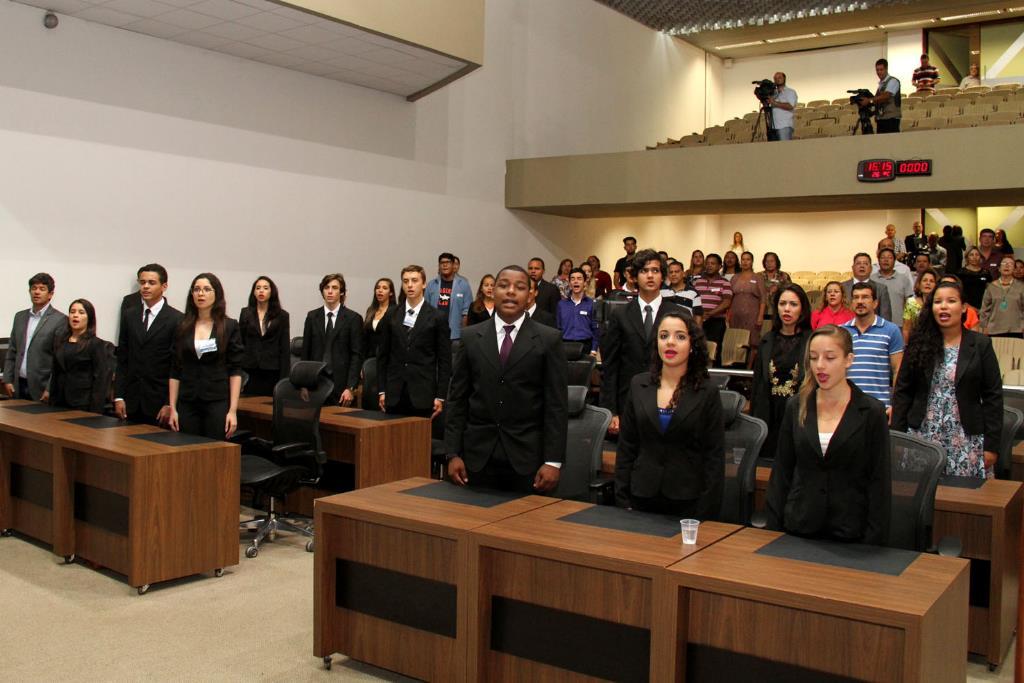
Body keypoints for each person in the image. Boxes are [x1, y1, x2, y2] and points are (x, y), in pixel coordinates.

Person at [445, 265, 568, 493]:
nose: (511, 292)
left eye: (520, 287)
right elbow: (457, 400)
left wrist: (553, 461)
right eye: (503, 285)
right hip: (476, 457)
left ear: (530, 295)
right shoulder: (471, 337)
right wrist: (452, 453)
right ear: (492, 292)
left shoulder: (549, 339)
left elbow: (557, 406)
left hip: (528, 459)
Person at [765, 325, 890, 544]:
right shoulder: (796, 406)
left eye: (830, 358)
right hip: (799, 527)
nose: (820, 366)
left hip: (851, 533)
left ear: (848, 360)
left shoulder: (871, 412)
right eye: (813, 358)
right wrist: (773, 532)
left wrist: (874, 543)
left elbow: (879, 483)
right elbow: (782, 472)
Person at [615, 312, 723, 517]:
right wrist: (622, 498)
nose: (670, 342)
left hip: (688, 501)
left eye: (680, 337)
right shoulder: (639, 384)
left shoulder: (707, 392)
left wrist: (706, 511)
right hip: (641, 496)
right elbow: (627, 446)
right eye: (664, 336)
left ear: (692, 345)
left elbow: (714, 458)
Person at [893, 281, 1002, 478]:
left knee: (963, 499)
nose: (943, 306)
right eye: (937, 302)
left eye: (951, 301)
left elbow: (993, 396)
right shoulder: (918, 343)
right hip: (923, 435)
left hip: (966, 438)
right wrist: (899, 438)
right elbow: (903, 392)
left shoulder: (980, 344)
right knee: (921, 497)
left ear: (963, 308)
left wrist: (992, 445)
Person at [600, 250, 690, 434]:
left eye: (656, 271)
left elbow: (689, 364)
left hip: (668, 400)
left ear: (663, 276)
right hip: (629, 400)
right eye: (644, 270)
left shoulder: (679, 314)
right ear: (634, 276)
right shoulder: (620, 315)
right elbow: (610, 366)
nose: (650, 275)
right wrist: (611, 411)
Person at [168, 273, 244, 440]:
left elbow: (235, 371)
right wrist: (172, 407)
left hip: (216, 400)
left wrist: (232, 410)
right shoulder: (182, 325)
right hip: (187, 400)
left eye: (206, 289)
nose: (200, 294)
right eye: (196, 289)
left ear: (216, 294)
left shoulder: (229, 326)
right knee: (187, 449)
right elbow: (175, 369)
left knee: (213, 450)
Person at [378, 265, 451, 419]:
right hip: (394, 392)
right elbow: (383, 354)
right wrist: (382, 390)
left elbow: (444, 360)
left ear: (424, 284)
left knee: (418, 441)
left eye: (414, 280)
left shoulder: (437, 317)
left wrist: (441, 395)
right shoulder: (392, 314)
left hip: (423, 393)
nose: (410, 285)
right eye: (405, 281)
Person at [114, 264, 182, 424]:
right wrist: (118, 395)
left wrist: (169, 402)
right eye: (142, 282)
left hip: (158, 400)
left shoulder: (177, 318)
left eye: (151, 283)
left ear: (164, 286)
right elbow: (123, 357)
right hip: (131, 398)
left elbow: (177, 365)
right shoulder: (130, 315)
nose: (145, 287)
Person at [752, 284, 812, 459]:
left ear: (802, 309)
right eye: (782, 303)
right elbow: (758, 386)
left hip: (799, 416)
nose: (787, 309)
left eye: (793, 304)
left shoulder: (811, 340)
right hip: (769, 415)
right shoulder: (767, 340)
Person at [301, 273, 362, 406]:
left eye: (334, 288)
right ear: (322, 291)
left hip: (341, 385)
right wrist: (303, 384)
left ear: (341, 292)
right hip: (315, 382)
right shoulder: (312, 317)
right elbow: (306, 352)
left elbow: (356, 355)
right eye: (326, 287)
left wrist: (350, 387)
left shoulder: (353, 318)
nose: (330, 291)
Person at [4, 273, 67, 401]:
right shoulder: (20, 317)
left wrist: (50, 388)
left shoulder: (60, 320)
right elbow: (12, 351)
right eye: (34, 288)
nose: (37, 292)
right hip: (17, 384)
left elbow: (59, 361)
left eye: (42, 289)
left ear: (50, 294)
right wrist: (7, 379)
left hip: (42, 387)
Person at [841, 282, 904, 410]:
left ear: (875, 303)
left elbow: (898, 370)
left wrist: (895, 405)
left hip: (880, 407)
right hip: (846, 407)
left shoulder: (891, 330)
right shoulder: (841, 332)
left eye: (865, 297)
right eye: (856, 297)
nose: (860, 301)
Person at [44, 299, 111, 413]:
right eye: (72, 312)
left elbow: (101, 379)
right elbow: (56, 372)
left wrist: (95, 410)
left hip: (82, 402)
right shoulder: (61, 341)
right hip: (59, 401)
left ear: (89, 318)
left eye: (81, 312)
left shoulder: (95, 344)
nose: (75, 316)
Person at [238, 276, 291, 396]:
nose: (261, 291)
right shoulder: (246, 313)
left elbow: (284, 349)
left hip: (272, 370)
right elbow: (240, 343)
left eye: (265, 288)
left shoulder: (282, 316)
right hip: (250, 369)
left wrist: (284, 379)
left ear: (272, 292)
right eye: (258, 288)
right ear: (254, 292)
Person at [727, 251, 765, 364]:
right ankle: (736, 369)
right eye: (743, 259)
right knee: (737, 341)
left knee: (752, 343)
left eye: (748, 259)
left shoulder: (758, 278)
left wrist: (760, 316)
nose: (745, 262)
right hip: (736, 315)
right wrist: (727, 314)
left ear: (752, 262)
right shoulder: (735, 277)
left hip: (752, 315)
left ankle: (748, 371)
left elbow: (763, 298)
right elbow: (730, 297)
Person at [692, 253, 732, 361]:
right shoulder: (697, 282)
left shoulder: (725, 282)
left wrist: (710, 313)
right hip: (699, 321)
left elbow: (727, 302)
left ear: (720, 266)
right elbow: (692, 301)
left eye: (713, 263)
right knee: (698, 348)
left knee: (715, 351)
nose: (709, 266)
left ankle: (715, 375)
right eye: (708, 263)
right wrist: (701, 315)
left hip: (716, 321)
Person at [426, 252, 473, 340]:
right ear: (439, 266)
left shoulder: (463, 285)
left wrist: (464, 335)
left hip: (455, 335)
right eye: (442, 263)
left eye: (448, 262)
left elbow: (466, 312)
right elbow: (425, 310)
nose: (445, 265)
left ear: (453, 265)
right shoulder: (431, 285)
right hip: (434, 334)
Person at [556, 268, 600, 356]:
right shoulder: (561, 304)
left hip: (586, 347)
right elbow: (558, 329)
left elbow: (596, 329)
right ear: (569, 283)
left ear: (584, 282)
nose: (576, 281)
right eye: (573, 279)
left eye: (579, 279)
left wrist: (594, 350)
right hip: (565, 346)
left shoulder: (592, 304)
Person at [979, 256, 1024, 338]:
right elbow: (984, 309)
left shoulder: (1021, 287)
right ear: (999, 268)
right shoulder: (991, 287)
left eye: (1010, 264)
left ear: (1014, 269)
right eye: (1004, 263)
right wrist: (984, 327)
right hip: (994, 330)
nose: (1007, 265)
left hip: (1016, 329)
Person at [843, 253, 894, 323]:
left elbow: (885, 317)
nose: (862, 266)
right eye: (858, 263)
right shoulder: (842, 287)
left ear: (871, 269)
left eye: (865, 264)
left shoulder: (881, 289)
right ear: (852, 267)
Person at [871, 247, 914, 322]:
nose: (886, 260)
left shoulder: (903, 279)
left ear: (894, 261)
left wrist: (907, 322)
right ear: (878, 261)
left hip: (899, 323)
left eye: (890, 258)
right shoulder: (871, 279)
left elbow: (909, 302)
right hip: (875, 324)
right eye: (883, 257)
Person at [859, 58, 901, 133]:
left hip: (891, 119)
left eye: (881, 70)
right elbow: (878, 100)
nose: (879, 72)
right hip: (881, 119)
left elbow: (886, 96)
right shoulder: (881, 85)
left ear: (886, 69)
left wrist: (869, 100)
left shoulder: (893, 81)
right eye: (877, 70)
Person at [362, 277, 396, 360]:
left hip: (387, 358)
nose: (380, 290)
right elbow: (365, 338)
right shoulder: (370, 310)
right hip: (369, 357)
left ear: (391, 293)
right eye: (378, 288)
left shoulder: (395, 311)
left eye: (384, 288)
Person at [902, 268, 938, 343]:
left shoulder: (939, 304)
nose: (928, 283)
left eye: (931, 281)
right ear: (919, 283)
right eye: (925, 280)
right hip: (915, 342)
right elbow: (906, 328)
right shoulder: (911, 302)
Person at [763, 71, 797, 141]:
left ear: (784, 79)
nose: (777, 79)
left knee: (784, 149)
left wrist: (775, 103)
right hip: (772, 127)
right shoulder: (772, 93)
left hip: (784, 126)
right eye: (775, 78)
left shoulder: (790, 92)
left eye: (779, 77)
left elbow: (790, 106)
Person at [758, 252, 791, 320]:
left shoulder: (784, 276)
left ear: (777, 262)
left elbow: (791, 292)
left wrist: (779, 288)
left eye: (772, 261)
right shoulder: (758, 276)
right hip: (761, 311)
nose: (769, 263)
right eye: (767, 261)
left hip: (779, 311)